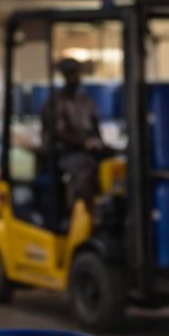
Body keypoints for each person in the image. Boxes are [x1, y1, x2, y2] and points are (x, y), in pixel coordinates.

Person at [41, 56, 103, 226]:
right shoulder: (56, 102)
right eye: (70, 75)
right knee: (84, 170)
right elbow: (59, 132)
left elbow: (95, 126)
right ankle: (85, 216)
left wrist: (99, 143)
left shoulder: (86, 101)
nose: (74, 79)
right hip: (65, 152)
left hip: (86, 150)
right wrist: (83, 143)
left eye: (76, 74)